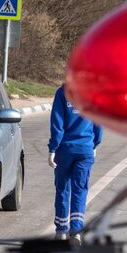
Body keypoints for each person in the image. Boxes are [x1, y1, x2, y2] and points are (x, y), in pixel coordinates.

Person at [47, 84, 103, 244]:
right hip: (85, 149)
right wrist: (94, 144)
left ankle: (61, 231)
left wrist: (53, 148)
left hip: (64, 150)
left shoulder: (62, 92)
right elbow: (99, 124)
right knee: (80, 190)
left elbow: (57, 123)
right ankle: (76, 231)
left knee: (62, 189)